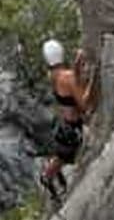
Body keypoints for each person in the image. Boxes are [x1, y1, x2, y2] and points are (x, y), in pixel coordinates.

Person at [39, 38, 95, 203]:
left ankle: (49, 174)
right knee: (62, 157)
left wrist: (77, 67)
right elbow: (85, 105)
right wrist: (94, 78)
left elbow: (70, 83)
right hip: (73, 129)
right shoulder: (67, 76)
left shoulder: (53, 75)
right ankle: (46, 177)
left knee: (59, 156)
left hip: (65, 123)